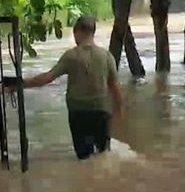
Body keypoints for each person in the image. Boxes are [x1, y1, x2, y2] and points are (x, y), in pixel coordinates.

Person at [20, 15, 124, 160]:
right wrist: (119, 110)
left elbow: (48, 77)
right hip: (102, 112)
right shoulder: (107, 56)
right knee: (103, 155)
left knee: (83, 157)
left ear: (77, 32)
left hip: (79, 113)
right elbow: (115, 88)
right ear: (93, 32)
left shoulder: (71, 56)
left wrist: (21, 84)